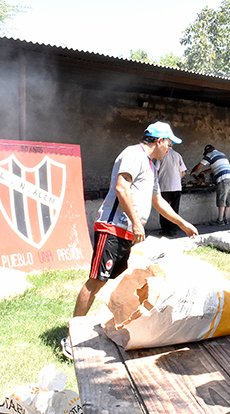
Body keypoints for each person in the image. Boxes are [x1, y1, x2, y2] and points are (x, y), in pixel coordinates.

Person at [62, 121, 199, 358]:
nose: (169, 148)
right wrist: (136, 223)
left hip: (128, 233)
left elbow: (158, 201)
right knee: (96, 280)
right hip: (112, 227)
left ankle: (114, 329)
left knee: (121, 283)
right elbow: (121, 188)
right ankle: (71, 338)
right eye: (169, 143)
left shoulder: (152, 166)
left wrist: (182, 223)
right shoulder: (133, 154)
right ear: (158, 141)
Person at [190, 145, 230, 226]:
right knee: (228, 199)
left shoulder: (209, 155)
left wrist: (193, 172)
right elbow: (214, 168)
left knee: (221, 199)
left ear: (207, 152)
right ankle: (225, 219)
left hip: (223, 178)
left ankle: (220, 220)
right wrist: (203, 172)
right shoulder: (221, 154)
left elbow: (199, 166)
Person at [154, 147, 187, 236]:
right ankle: (173, 230)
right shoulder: (178, 155)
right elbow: (183, 172)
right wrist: (176, 178)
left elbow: (156, 170)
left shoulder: (161, 155)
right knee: (175, 209)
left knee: (163, 208)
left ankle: (165, 230)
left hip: (164, 186)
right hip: (177, 187)